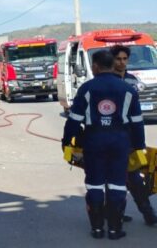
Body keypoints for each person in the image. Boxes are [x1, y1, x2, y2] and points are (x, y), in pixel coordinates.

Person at [62, 50, 146, 240]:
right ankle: (115, 229)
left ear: (96, 66)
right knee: (117, 185)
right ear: (112, 64)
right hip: (120, 143)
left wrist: (67, 141)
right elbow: (137, 122)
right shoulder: (128, 90)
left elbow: (74, 120)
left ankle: (98, 229)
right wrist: (139, 146)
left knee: (94, 184)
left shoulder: (86, 88)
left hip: (94, 143)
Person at [110, 45, 157, 225]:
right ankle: (117, 214)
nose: (121, 62)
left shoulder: (132, 81)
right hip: (111, 138)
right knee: (115, 180)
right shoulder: (105, 81)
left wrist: (140, 143)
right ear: (112, 60)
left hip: (130, 138)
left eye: (124, 59)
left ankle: (147, 212)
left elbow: (137, 115)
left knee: (135, 178)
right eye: (118, 59)